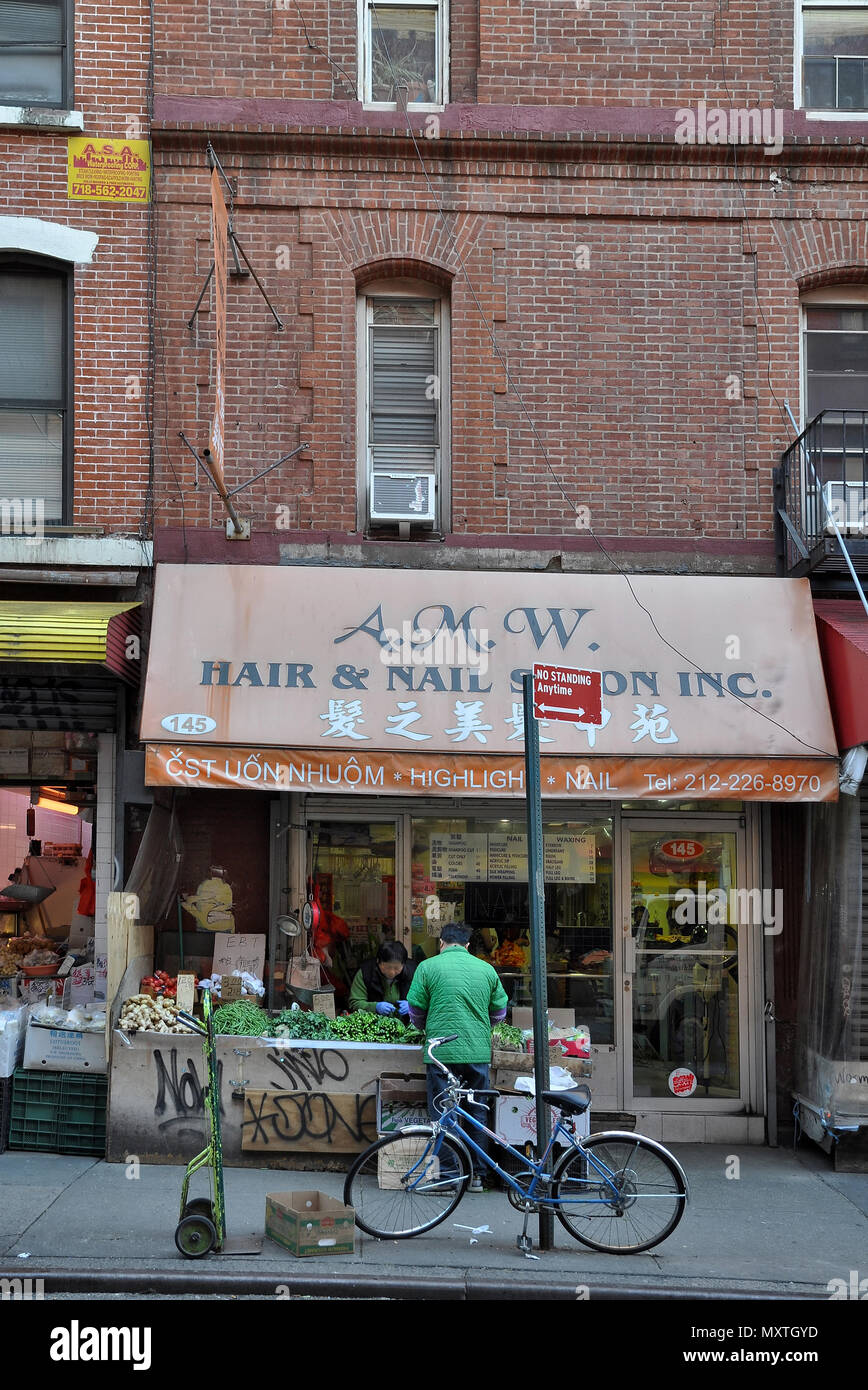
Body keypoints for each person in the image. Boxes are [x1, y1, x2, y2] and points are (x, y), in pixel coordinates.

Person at [406, 921, 508, 1192]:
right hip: (476, 1052)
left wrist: (425, 1026)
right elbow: (499, 1011)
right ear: (467, 945)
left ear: (441, 943)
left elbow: (415, 1010)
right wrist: (480, 1025)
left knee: (443, 1113)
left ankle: (449, 1174)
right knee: (476, 1112)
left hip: (441, 1053)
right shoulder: (486, 969)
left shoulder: (427, 967)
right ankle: (477, 1176)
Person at [348, 940, 415, 1016]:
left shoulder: (414, 972)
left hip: (407, 1023)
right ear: (378, 961)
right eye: (387, 967)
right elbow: (354, 1002)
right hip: (374, 1023)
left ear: (403, 964)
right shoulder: (365, 972)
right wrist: (375, 1007)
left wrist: (412, 1006)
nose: (391, 972)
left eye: (396, 968)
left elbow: (426, 1000)